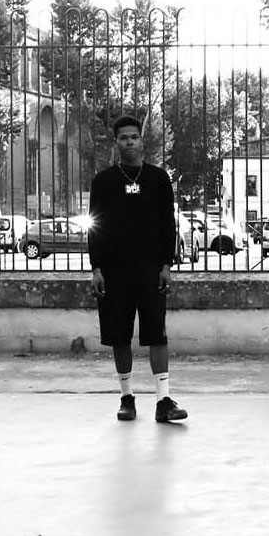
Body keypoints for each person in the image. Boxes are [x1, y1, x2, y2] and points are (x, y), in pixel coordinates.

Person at [89, 114, 187, 424]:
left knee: (156, 334)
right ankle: (126, 398)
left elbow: (167, 225)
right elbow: (95, 227)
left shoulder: (158, 179)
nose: (129, 142)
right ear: (115, 142)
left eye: (134, 137)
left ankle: (163, 402)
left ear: (141, 140)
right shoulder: (103, 182)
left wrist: (167, 264)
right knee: (119, 336)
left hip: (150, 269)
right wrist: (96, 268)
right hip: (114, 271)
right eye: (123, 138)